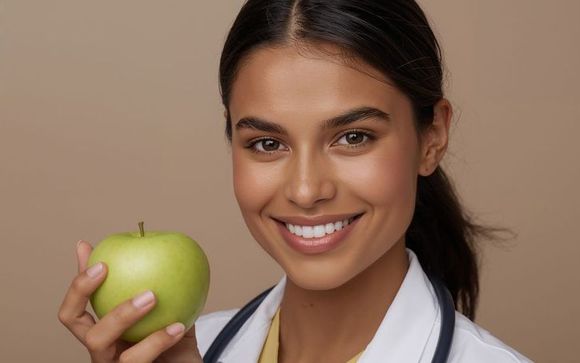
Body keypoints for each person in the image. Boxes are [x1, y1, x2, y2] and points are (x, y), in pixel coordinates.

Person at [58, 0, 533, 362]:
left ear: (432, 138)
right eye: (267, 143)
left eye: (353, 136)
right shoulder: (191, 351)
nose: (306, 190)